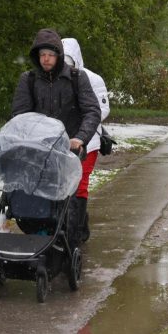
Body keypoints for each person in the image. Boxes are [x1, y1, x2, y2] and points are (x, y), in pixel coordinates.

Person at [11, 28, 101, 250]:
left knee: (71, 192)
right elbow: (19, 115)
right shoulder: (29, 80)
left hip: (69, 148)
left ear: (59, 55)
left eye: (50, 54)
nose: (46, 59)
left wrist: (80, 138)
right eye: (42, 55)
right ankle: (41, 232)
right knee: (37, 192)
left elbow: (92, 111)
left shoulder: (77, 78)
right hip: (39, 148)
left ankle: (74, 234)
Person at [62, 37, 110, 242]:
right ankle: (69, 223)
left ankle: (77, 230)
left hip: (88, 142)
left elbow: (102, 109)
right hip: (61, 140)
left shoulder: (92, 79)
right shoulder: (55, 79)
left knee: (79, 184)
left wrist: (83, 125)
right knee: (63, 185)